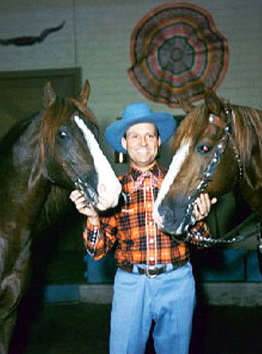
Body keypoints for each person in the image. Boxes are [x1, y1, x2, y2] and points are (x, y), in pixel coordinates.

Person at [69, 102, 216, 354]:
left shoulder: (179, 184)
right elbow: (97, 251)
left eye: (150, 135)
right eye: (134, 136)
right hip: (131, 285)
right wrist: (93, 217)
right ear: (124, 144)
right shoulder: (114, 190)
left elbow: (201, 242)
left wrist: (198, 219)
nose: (143, 142)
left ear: (159, 141)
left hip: (177, 282)